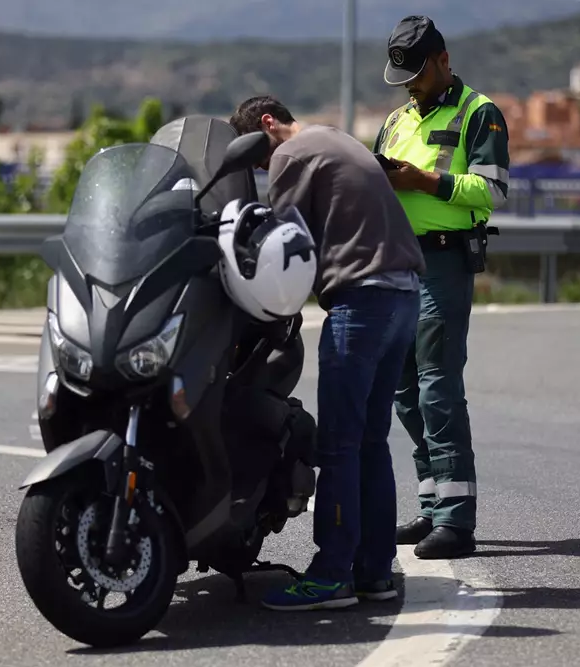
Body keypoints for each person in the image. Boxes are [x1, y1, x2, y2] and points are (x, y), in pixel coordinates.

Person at [229, 96, 426, 611]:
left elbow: (281, 241)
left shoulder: (289, 156)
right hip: (403, 294)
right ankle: (374, 573)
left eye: (255, 158)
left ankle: (331, 576)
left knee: (339, 443)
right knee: (369, 442)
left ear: (267, 125)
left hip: (362, 299)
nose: (260, 168)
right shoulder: (334, 137)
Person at [374, 15, 511, 559]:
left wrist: (422, 180)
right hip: (396, 262)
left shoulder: (481, 113)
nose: (409, 84)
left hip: (443, 264)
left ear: (443, 61)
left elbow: (493, 189)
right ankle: (433, 503)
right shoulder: (395, 121)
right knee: (403, 388)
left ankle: (457, 522)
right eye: (402, 76)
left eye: (417, 74)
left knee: (437, 386)